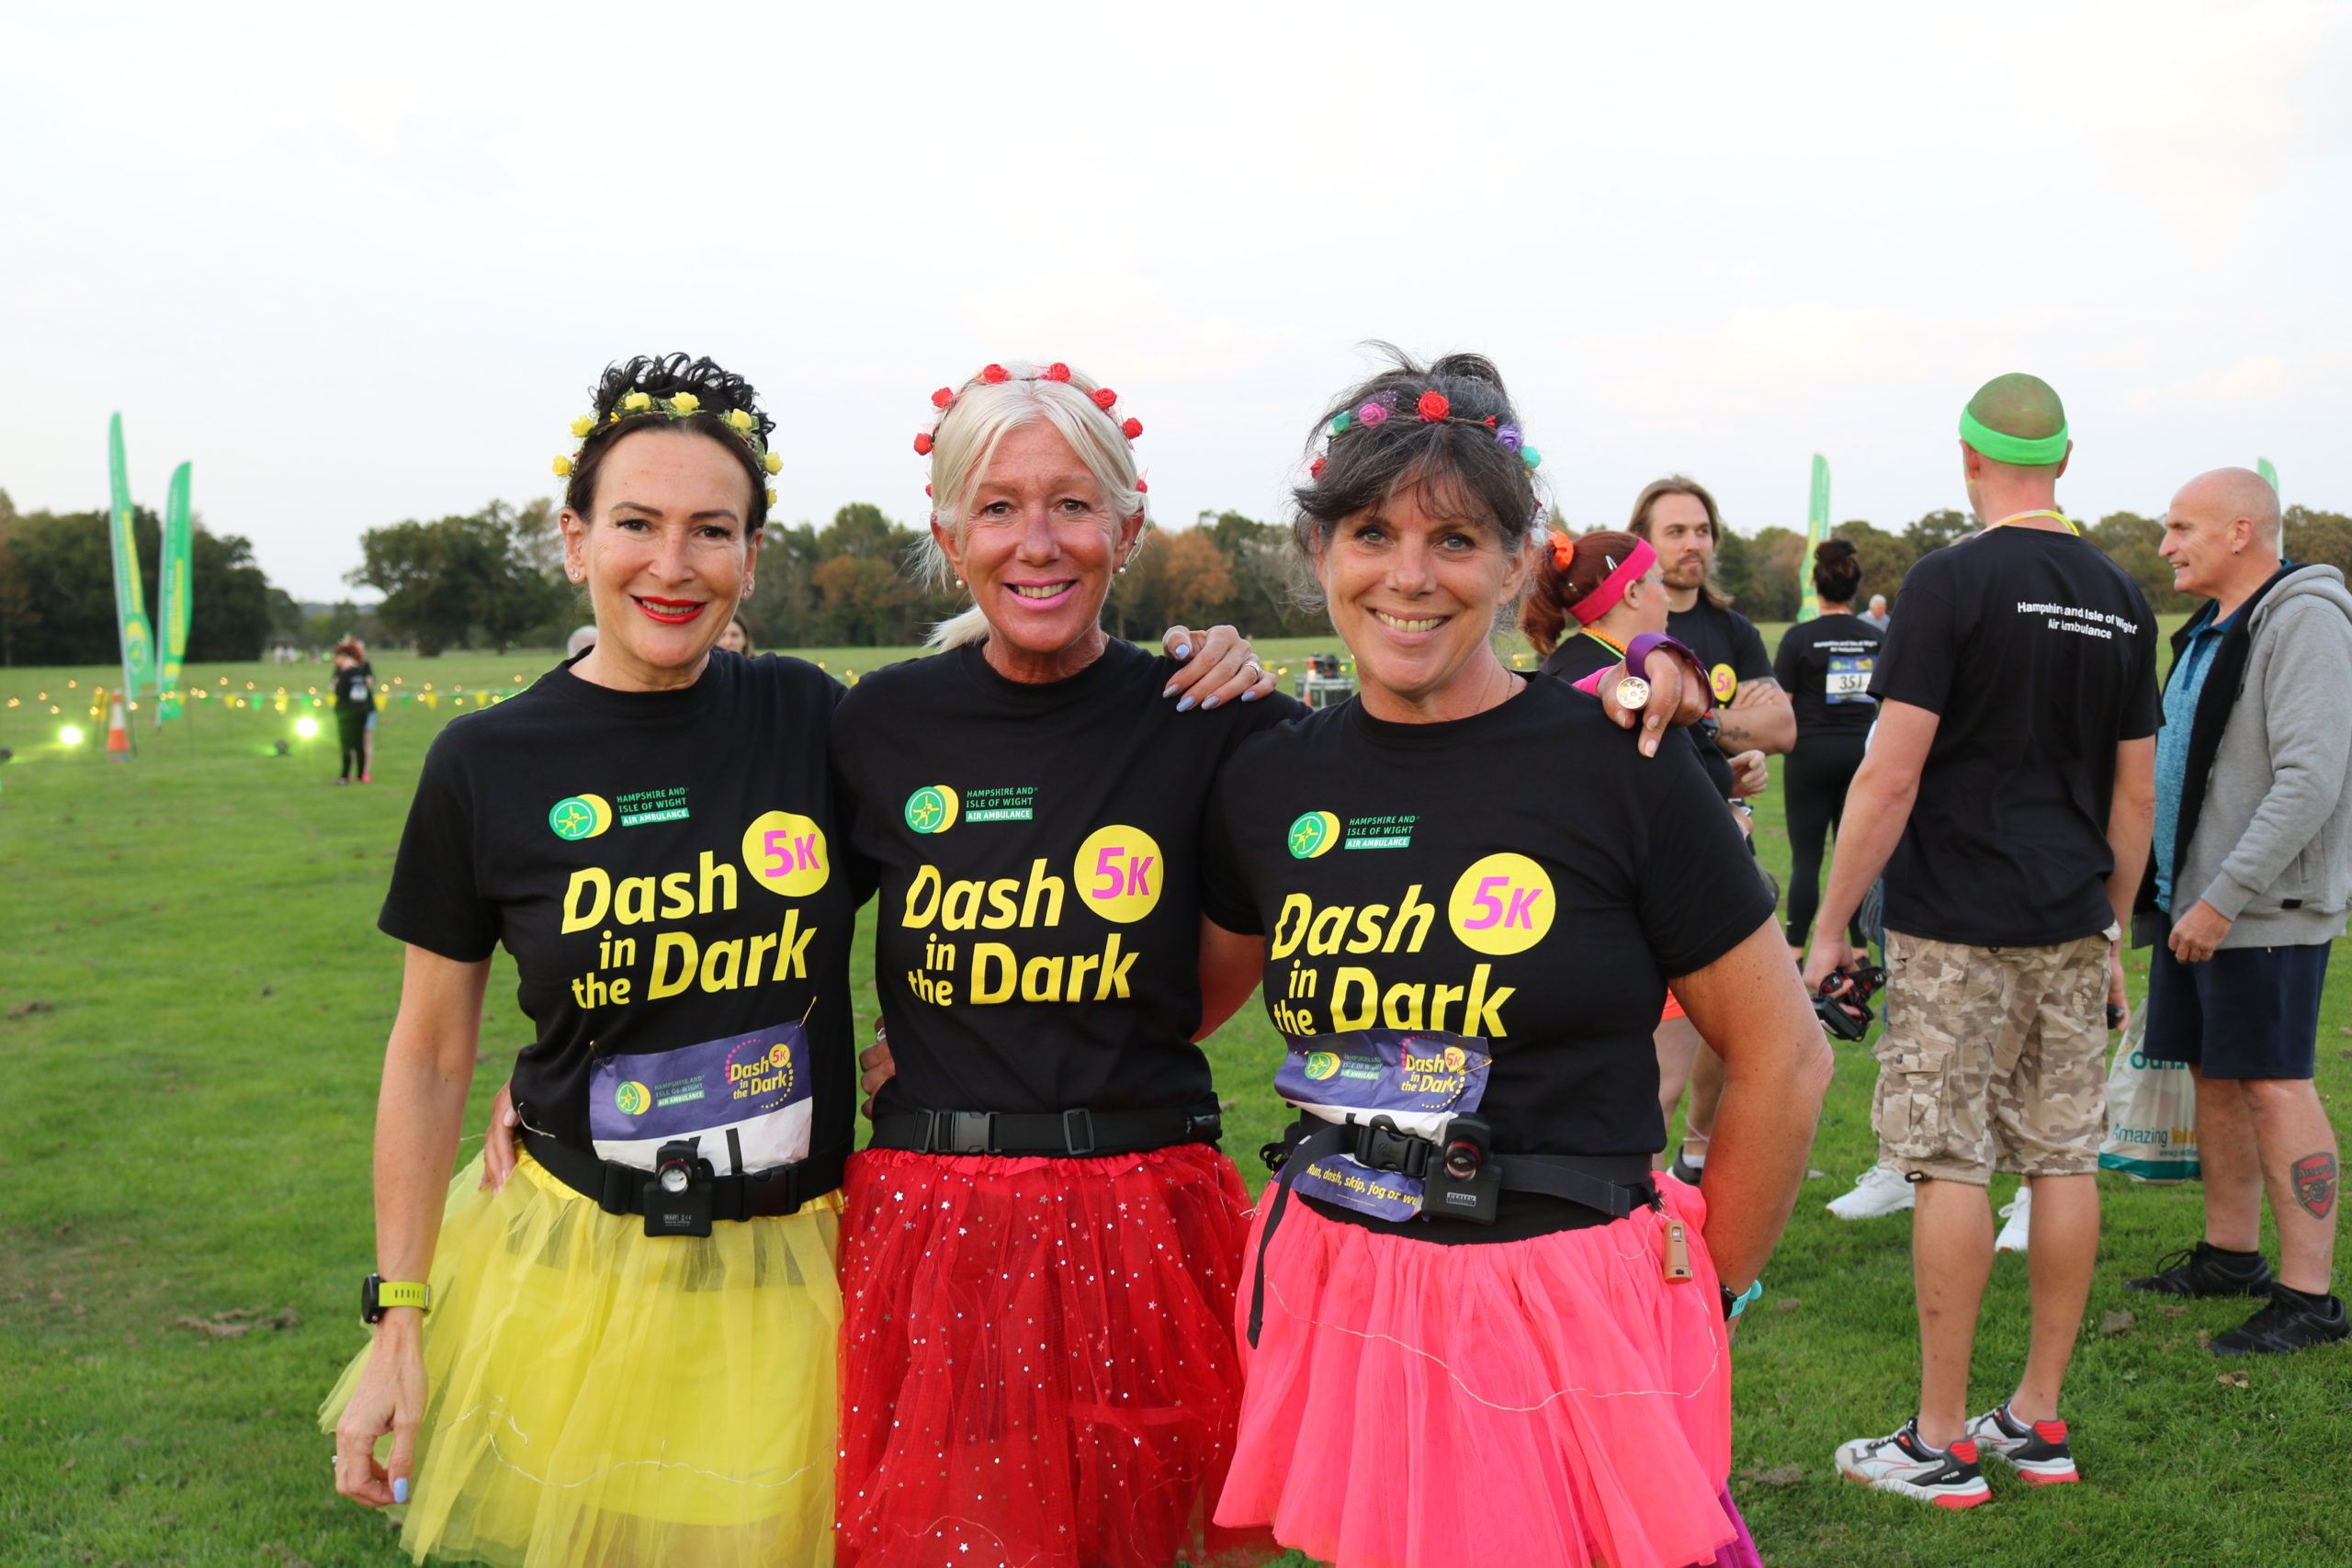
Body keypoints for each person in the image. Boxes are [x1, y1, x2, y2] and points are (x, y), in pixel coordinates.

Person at [1205, 352, 1829, 1568]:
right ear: (1320, 549)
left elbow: (1785, 1057)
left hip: (1561, 1306)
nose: (1408, 574)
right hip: (1345, 1280)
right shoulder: (1270, 774)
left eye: (1456, 538)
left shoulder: (1618, 756)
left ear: (1511, 560)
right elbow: (1175, 1002)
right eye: (1371, 531)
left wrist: (1706, 1286)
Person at [323, 354, 861, 1566]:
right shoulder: (487, 759)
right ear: (575, 541)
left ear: (751, 558)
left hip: (796, 1258)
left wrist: (1204, 659)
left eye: (710, 529)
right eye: (635, 522)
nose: (671, 563)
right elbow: (428, 1048)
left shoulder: (814, 719)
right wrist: (398, 1315)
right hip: (575, 1261)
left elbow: (989, 878)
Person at [826, 358, 1290, 1567]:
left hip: (1146, 1212)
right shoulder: (879, 722)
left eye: (1073, 503)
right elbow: (740, 929)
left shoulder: (1205, 709)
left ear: (1126, 525)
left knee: (1156, 1537)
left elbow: (1414, 773)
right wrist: (562, 1069)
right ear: (947, 531)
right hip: (936, 1222)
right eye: (998, 505)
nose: (1039, 540)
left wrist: (1633, 674)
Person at [1808, 373, 2158, 1505]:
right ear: (2066, 458)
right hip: (2067, 916)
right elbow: (2135, 797)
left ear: (1967, 460)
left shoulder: (1949, 581)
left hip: (1954, 921)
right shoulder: (2118, 595)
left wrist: (1824, 923)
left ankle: (1940, 1439)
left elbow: (1891, 770)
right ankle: (2039, 1420)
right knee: (2062, 1155)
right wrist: (2108, 924)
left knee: (1948, 1158)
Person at [2124, 466, 2351, 1354]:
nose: (2167, 545)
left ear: (2241, 533)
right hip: (2202, 903)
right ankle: (2231, 1255)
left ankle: (2311, 1298)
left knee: (2273, 1080)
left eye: (2182, 527)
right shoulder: (2217, 626)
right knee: (2215, 1074)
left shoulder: (2304, 619)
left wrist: (2224, 895)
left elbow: (2310, 777)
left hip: (2264, 906)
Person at [1525, 528, 1770, 1170]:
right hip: (1647, 919)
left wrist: (1725, 784)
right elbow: (1635, 798)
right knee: (1655, 1094)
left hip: (1592, 919)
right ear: (1632, 590)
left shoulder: (1575, 664)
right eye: (1657, 580)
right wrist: (1728, 819)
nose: (1667, 595)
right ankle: (1648, 1251)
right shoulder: (1628, 682)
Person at [1772, 541, 1883, 961]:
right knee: (1853, 856)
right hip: (1862, 757)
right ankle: (1857, 950)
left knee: (1806, 858)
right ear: (1853, 589)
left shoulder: (1800, 637)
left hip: (1809, 756)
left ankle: (1797, 950)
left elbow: (1781, 703)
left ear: (1816, 587)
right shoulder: (1874, 638)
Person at [332, 639, 377, 784]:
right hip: (362, 711)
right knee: (359, 745)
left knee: (346, 745)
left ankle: (345, 776)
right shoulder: (360, 671)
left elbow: (339, 692)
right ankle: (360, 775)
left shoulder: (345, 673)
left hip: (347, 713)